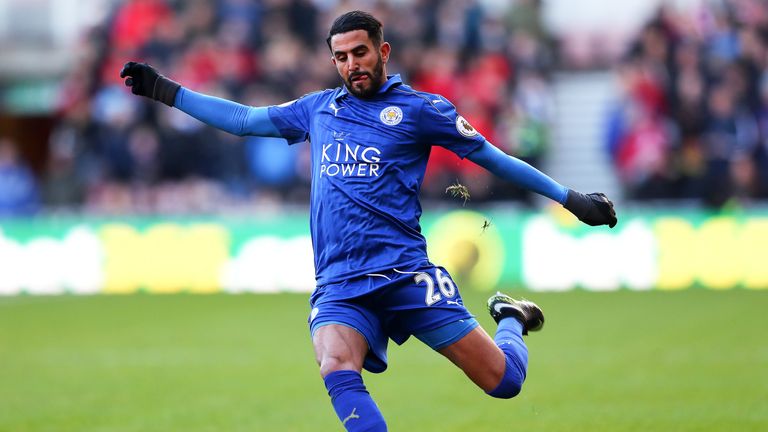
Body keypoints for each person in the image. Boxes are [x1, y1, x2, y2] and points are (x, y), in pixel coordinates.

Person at [120, 10, 617, 431]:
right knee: (335, 363)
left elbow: (493, 158)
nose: (351, 65)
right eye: (341, 57)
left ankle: (509, 316)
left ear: (384, 51)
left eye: (360, 53)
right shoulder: (317, 109)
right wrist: (167, 91)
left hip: (405, 273)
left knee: (504, 383)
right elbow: (246, 120)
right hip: (340, 282)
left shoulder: (422, 111)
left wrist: (569, 198)